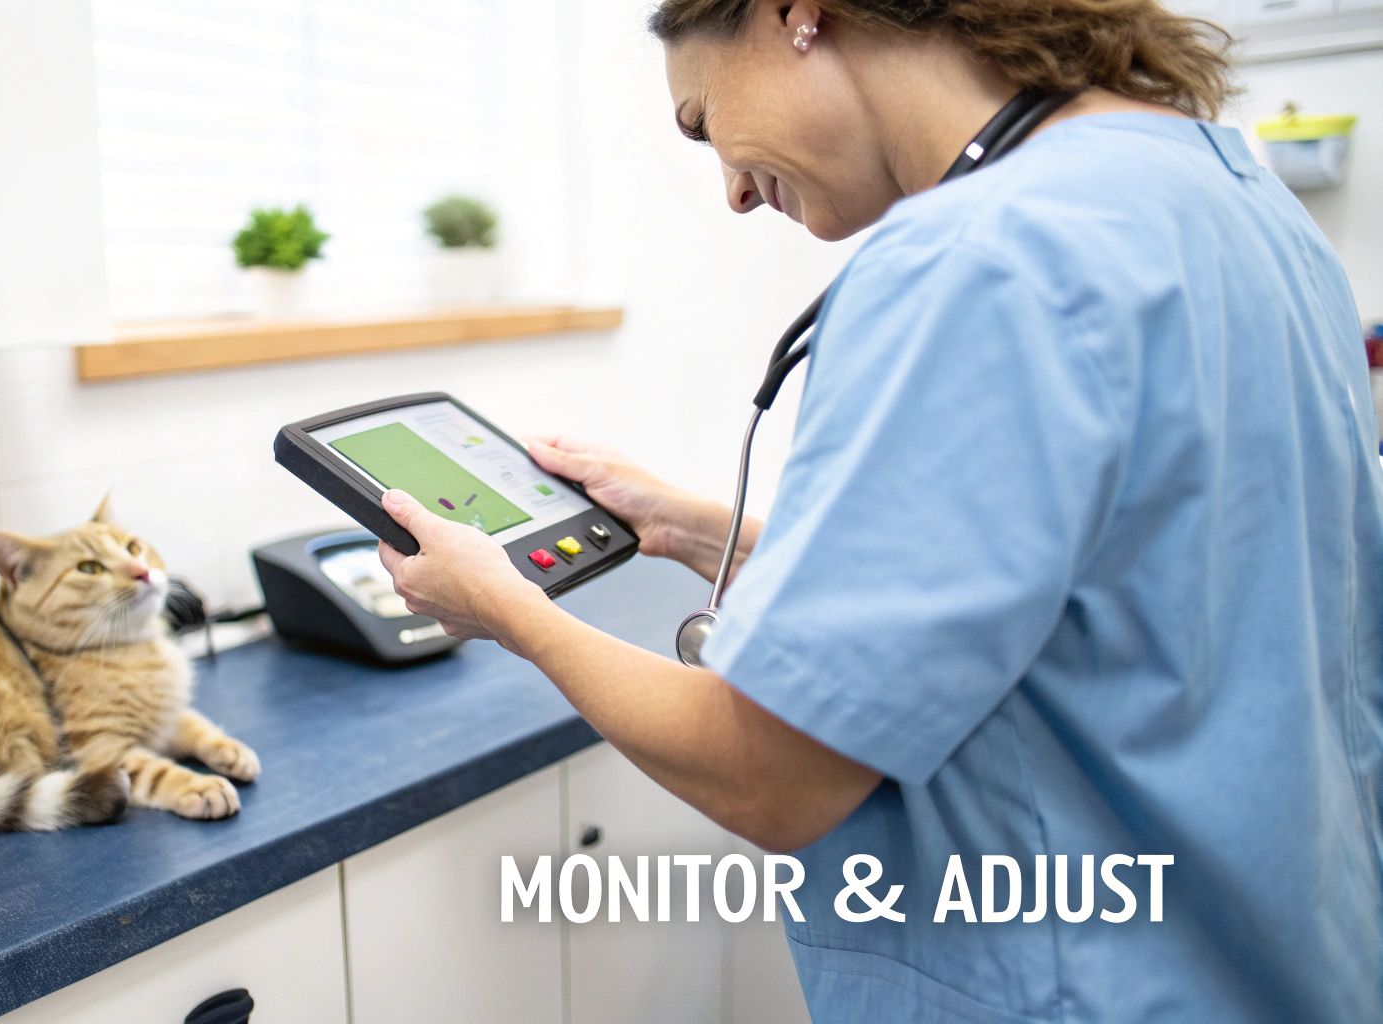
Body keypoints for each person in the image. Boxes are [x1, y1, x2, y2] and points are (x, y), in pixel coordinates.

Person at [375, 0, 1383, 1020]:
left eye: (701, 120)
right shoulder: (1242, 201)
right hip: (1285, 959)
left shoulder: (970, 259)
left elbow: (768, 774)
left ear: (794, 16)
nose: (726, 188)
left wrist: (505, 609)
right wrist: (694, 527)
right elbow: (1117, 592)